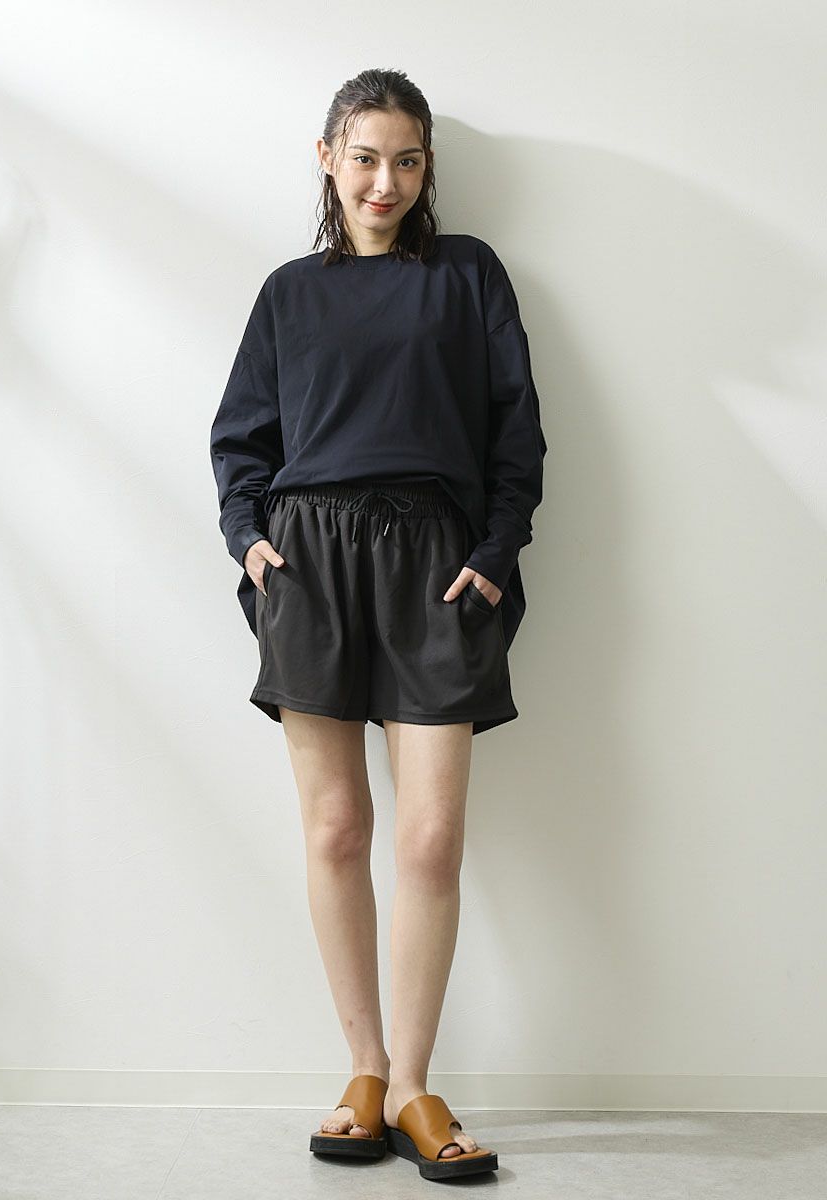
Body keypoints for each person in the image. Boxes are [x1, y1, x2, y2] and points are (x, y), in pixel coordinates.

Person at [209, 68, 548, 1182]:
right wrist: (248, 540)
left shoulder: (467, 275)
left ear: (426, 165)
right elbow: (240, 439)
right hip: (310, 562)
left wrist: (495, 553)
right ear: (328, 158)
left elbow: (515, 429)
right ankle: (362, 1069)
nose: (384, 182)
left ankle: (411, 1084)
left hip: (436, 566)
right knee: (337, 830)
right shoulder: (288, 294)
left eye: (405, 160)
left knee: (430, 838)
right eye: (363, 158)